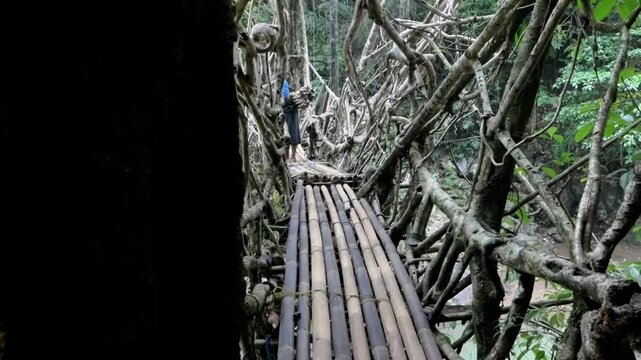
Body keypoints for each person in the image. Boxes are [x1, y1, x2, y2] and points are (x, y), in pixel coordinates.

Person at [281, 79, 300, 163]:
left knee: (293, 132)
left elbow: (285, 96)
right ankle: (286, 156)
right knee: (284, 134)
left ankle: (293, 157)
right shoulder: (278, 82)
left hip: (290, 111)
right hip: (283, 111)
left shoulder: (283, 82)